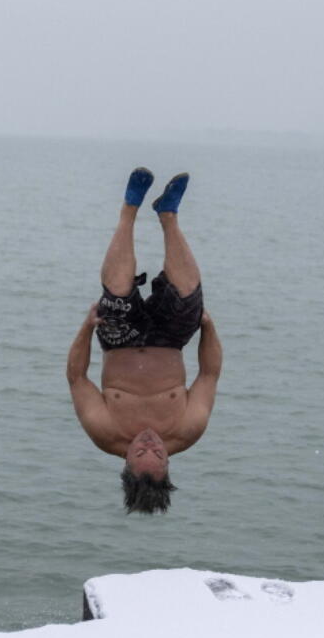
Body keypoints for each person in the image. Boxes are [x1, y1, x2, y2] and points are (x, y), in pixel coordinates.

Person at [66, 169, 223, 514]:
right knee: (189, 294)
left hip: (120, 343)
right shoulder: (188, 430)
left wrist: (87, 328)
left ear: (125, 462)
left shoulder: (103, 431)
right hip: (171, 340)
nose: (151, 444)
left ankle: (129, 210)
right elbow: (209, 375)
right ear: (169, 462)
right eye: (158, 454)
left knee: (119, 292)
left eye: (141, 453)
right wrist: (208, 327)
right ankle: (168, 215)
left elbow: (77, 378)